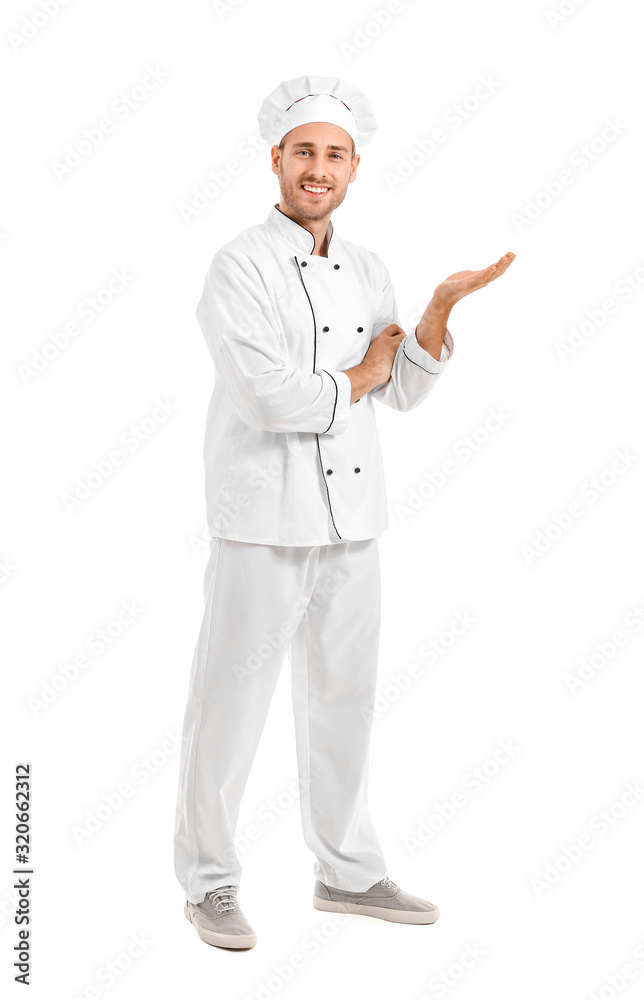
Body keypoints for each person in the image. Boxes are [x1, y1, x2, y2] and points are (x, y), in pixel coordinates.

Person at [174, 74, 515, 951]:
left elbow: (395, 391)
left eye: (334, 155)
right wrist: (359, 379)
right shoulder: (237, 265)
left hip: (354, 520)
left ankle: (349, 873)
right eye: (303, 153)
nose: (317, 169)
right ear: (276, 161)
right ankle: (210, 882)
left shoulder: (368, 269)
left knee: (346, 701)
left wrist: (434, 318)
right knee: (230, 705)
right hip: (261, 523)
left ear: (355, 167)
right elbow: (265, 396)